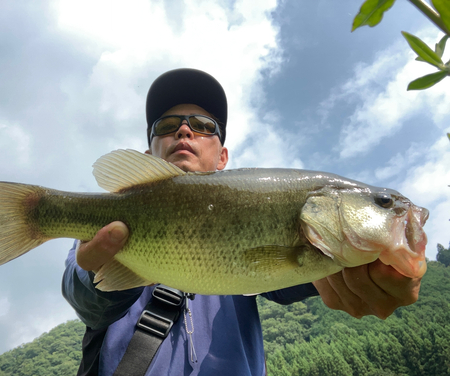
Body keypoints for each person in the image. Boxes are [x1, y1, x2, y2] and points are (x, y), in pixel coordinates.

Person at [63, 68, 422, 376]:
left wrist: (378, 269)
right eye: (167, 125)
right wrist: (97, 273)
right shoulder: (101, 227)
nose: (185, 131)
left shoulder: (276, 221)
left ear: (222, 158)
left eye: (203, 125)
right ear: (148, 155)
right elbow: (87, 300)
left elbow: (301, 278)